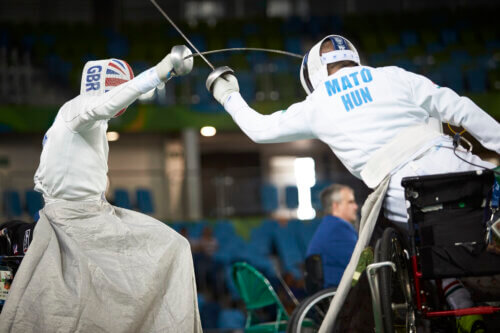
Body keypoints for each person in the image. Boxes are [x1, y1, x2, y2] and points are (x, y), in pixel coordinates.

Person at [207, 34, 500, 332]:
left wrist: (227, 93)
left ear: (314, 74)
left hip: (406, 193)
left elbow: (259, 129)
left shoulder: (317, 103)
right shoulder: (394, 75)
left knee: (412, 239)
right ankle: (463, 296)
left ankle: (460, 303)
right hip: (463, 170)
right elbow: (460, 108)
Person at [0, 46, 202, 332]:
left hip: (97, 215)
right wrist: (161, 69)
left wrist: (166, 77)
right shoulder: (78, 110)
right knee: (172, 248)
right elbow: (111, 101)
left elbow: (127, 97)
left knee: (174, 246)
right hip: (73, 221)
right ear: (108, 89)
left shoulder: (84, 118)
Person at [306, 184, 358, 289]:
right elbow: (360, 264)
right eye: (350, 202)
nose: (356, 207)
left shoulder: (328, 225)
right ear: (336, 206)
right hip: (342, 292)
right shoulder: (339, 228)